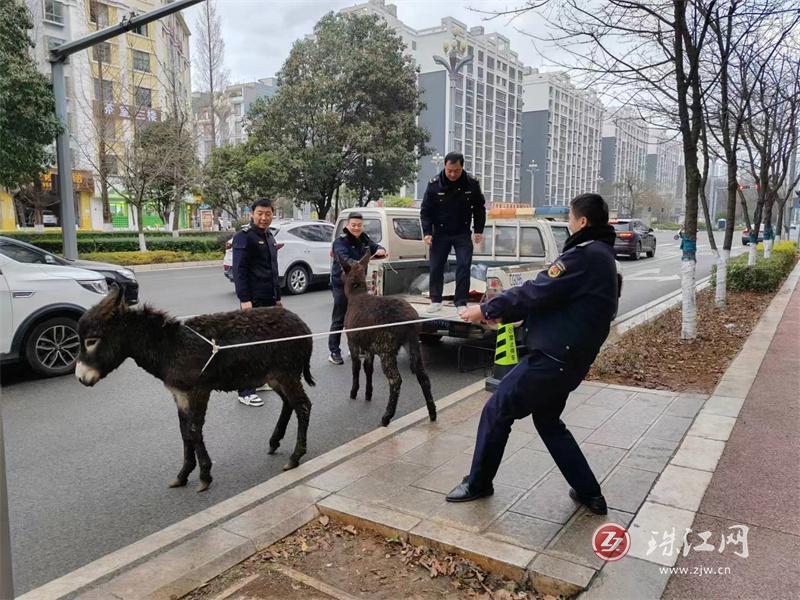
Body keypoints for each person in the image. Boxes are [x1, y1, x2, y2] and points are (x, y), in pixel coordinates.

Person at [447, 193, 618, 515]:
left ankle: (479, 482)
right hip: (569, 357)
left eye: (570, 216)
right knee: (548, 420)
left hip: (554, 358)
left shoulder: (583, 256)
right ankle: (589, 492)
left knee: (497, 410)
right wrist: (505, 314)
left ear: (582, 221)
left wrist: (486, 308)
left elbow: (537, 290)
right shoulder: (601, 255)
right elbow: (555, 301)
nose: (568, 222)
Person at [420, 152, 486, 314]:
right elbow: (425, 211)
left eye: (456, 170)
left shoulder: (471, 183)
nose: (452, 174)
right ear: (445, 166)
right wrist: (427, 232)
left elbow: (479, 208)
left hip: (462, 232)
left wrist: (478, 230)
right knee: (436, 266)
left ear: (462, 167)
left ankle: (461, 302)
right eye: (449, 170)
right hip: (440, 232)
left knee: (463, 266)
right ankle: (436, 300)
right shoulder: (434, 184)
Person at [231, 198, 282, 406]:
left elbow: (273, 270)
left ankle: (259, 381)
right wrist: (244, 300)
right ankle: (244, 391)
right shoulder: (244, 237)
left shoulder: (269, 236)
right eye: (260, 213)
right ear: (252, 214)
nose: (263, 217)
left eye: (267, 213)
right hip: (253, 300)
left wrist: (278, 298)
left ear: (272, 214)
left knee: (265, 344)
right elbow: (239, 270)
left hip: (268, 299)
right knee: (250, 346)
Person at [328, 213, 386, 365]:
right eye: (353, 225)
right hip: (342, 285)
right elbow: (346, 260)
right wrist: (361, 263)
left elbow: (376, 246)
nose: (356, 228)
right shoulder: (340, 242)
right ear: (347, 225)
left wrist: (380, 249)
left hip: (359, 287)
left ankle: (358, 347)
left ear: (362, 226)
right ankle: (334, 351)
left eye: (359, 225)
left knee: (359, 318)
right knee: (340, 317)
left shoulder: (363, 238)